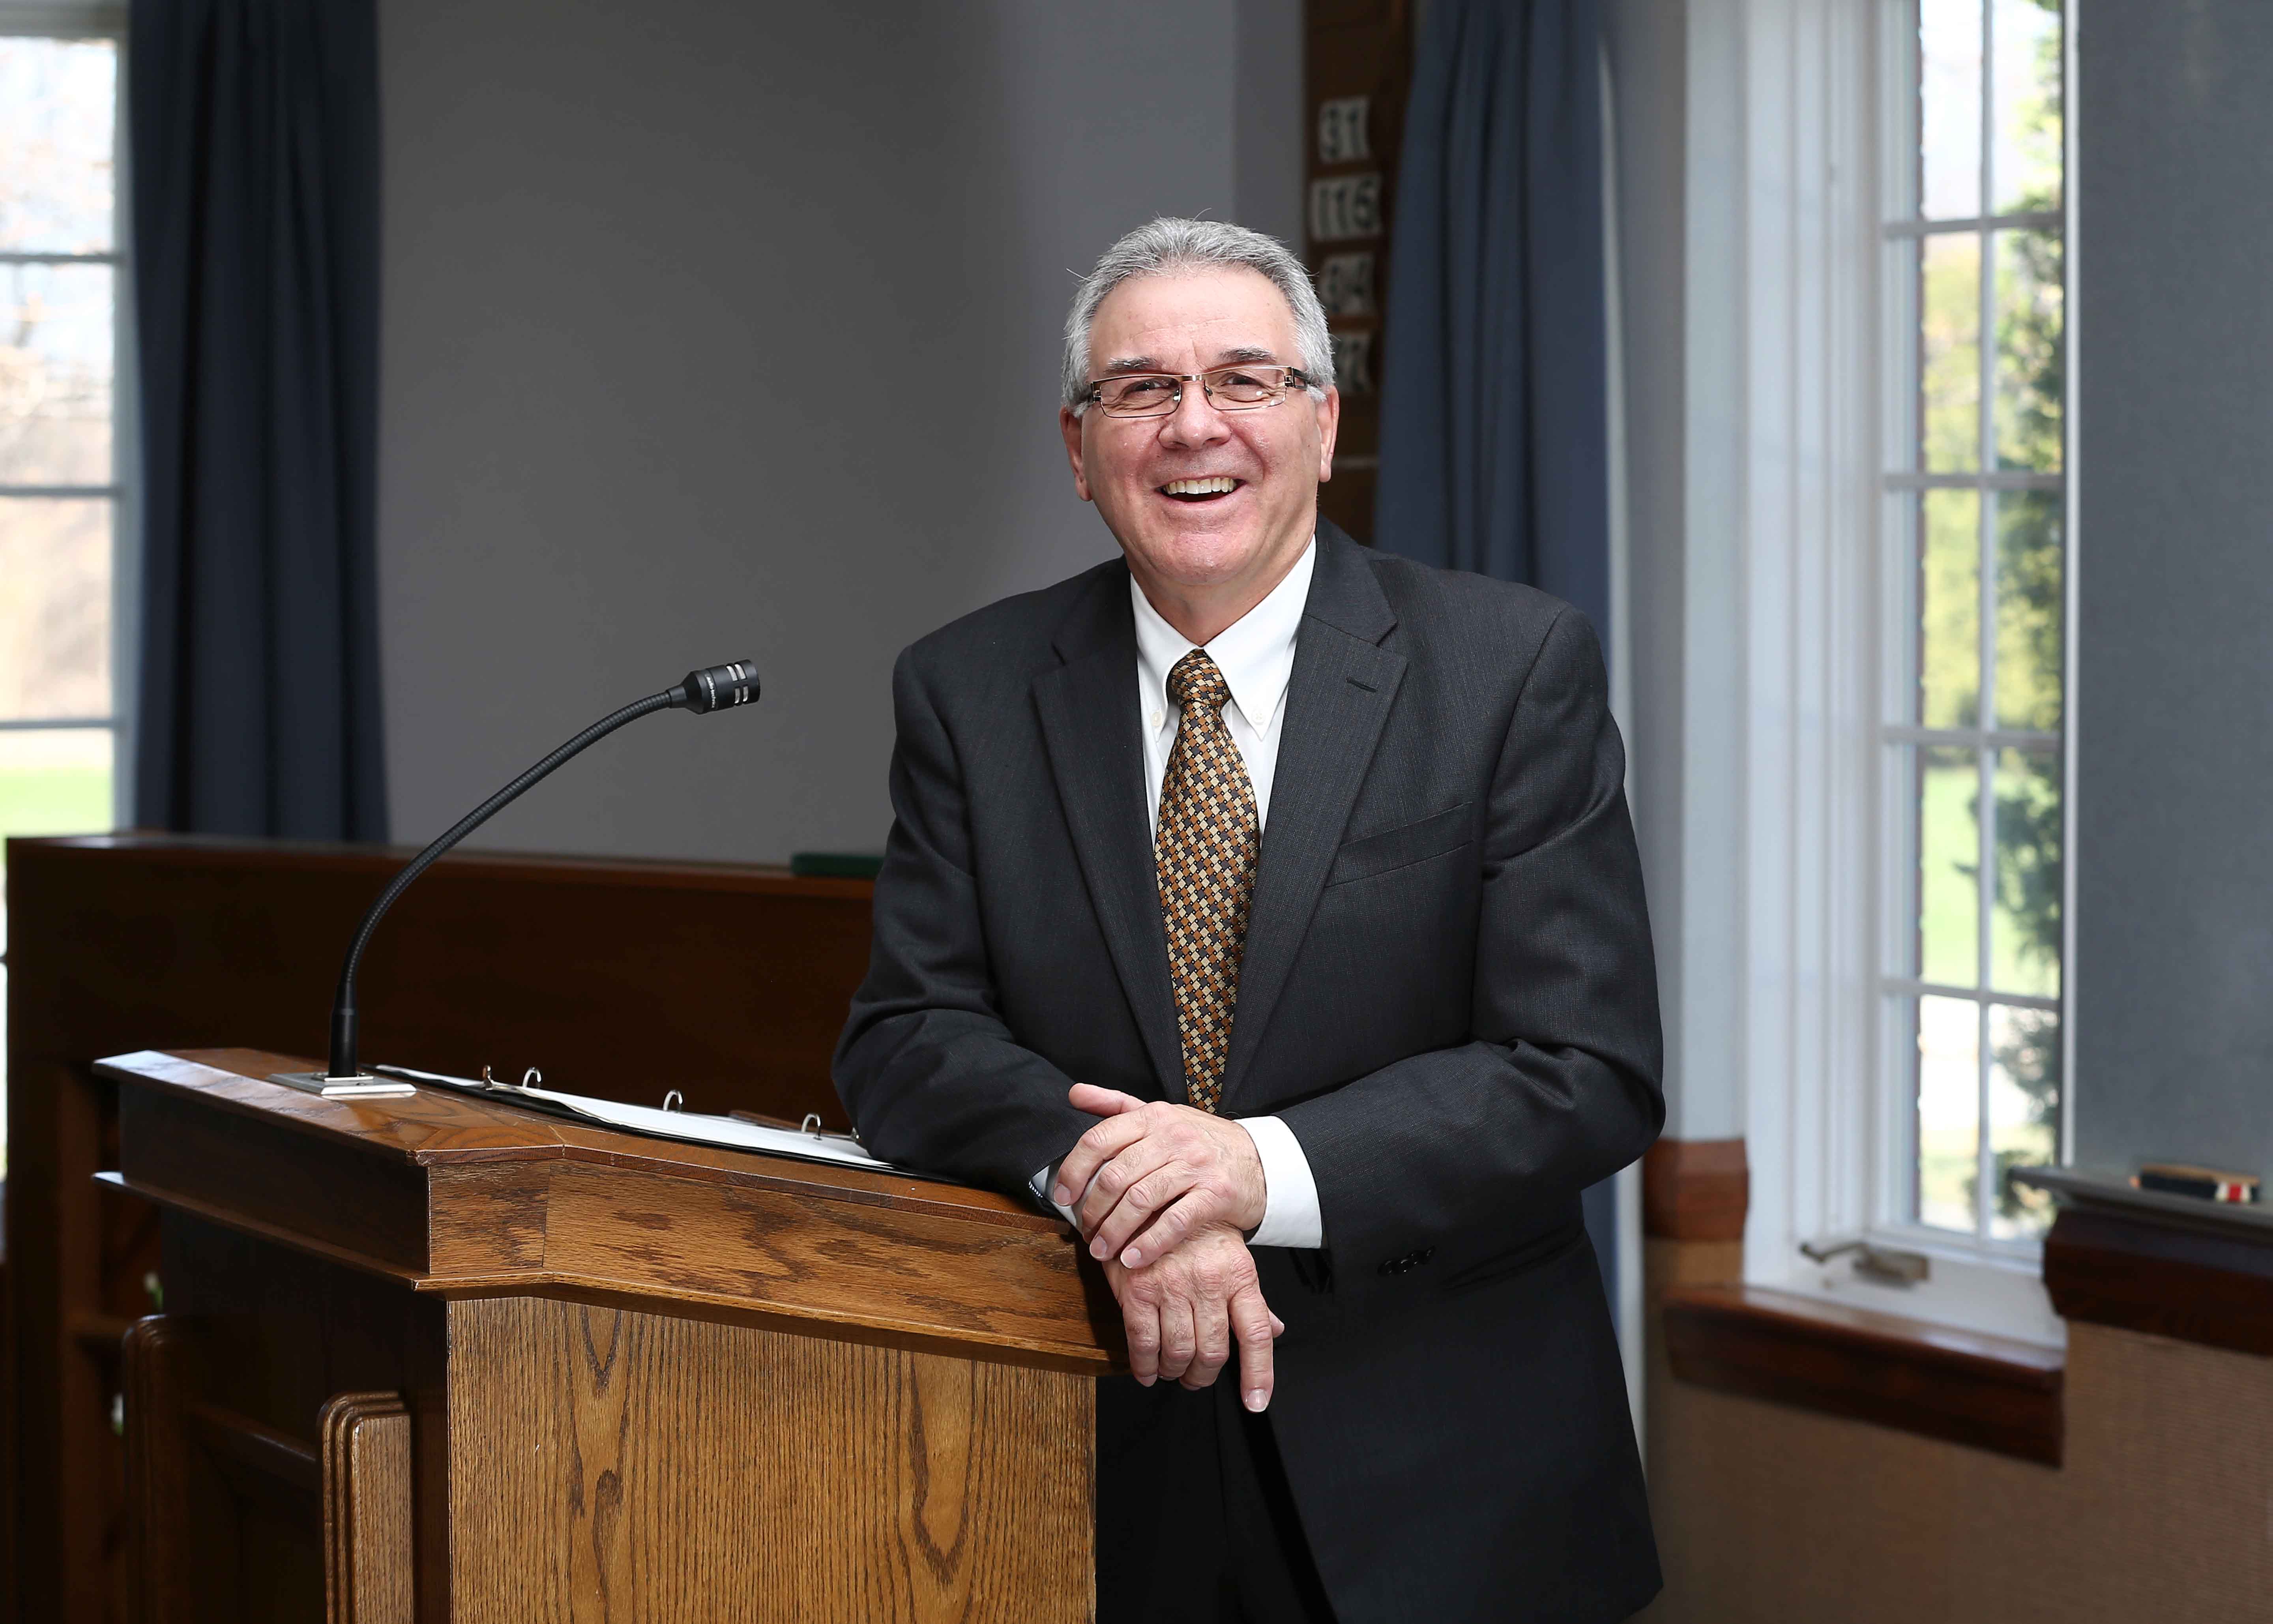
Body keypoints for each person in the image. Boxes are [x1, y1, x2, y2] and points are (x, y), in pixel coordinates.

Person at [834, 217, 1663, 1624]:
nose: (1191, 425)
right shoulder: (969, 690)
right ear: (1079, 445)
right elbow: (909, 1037)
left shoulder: (1508, 668)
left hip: (1452, 1479)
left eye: (1244, 379)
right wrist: (1128, 1181)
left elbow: (1583, 1069)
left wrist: (1251, 1170)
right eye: (1140, 389)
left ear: (1325, 422)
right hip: (1090, 1458)